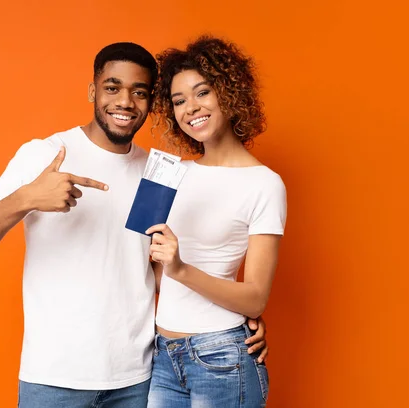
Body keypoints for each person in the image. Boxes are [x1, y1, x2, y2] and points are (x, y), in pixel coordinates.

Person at [0, 42, 268, 408]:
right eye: (112, 87)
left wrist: (230, 325)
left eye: (140, 92)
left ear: (151, 102)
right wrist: (26, 198)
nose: (125, 102)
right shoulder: (45, 154)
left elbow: (157, 269)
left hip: (139, 379)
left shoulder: (159, 173)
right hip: (55, 379)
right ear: (92, 91)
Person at [146, 36, 287, 407]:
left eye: (202, 92)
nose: (191, 108)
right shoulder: (168, 173)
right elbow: (147, 271)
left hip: (222, 355)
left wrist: (179, 268)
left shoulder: (265, 184)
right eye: (179, 101)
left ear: (228, 92)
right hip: (161, 355)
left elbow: (255, 297)